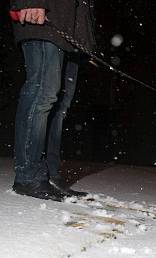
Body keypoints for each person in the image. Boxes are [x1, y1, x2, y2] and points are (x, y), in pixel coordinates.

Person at [9, 0, 96, 201]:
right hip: (45, 17)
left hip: (69, 29)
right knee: (43, 93)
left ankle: (50, 175)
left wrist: (85, 40)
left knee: (61, 104)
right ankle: (28, 176)